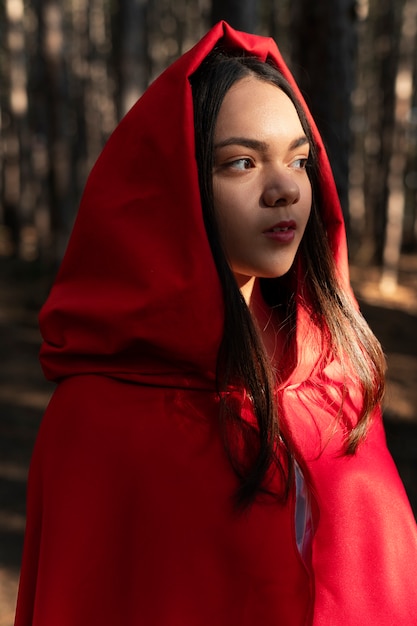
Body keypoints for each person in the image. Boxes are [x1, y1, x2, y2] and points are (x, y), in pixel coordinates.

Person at [14, 21, 417, 626]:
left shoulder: (340, 377)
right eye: (242, 163)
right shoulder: (98, 420)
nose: (283, 188)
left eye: (298, 159)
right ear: (178, 186)